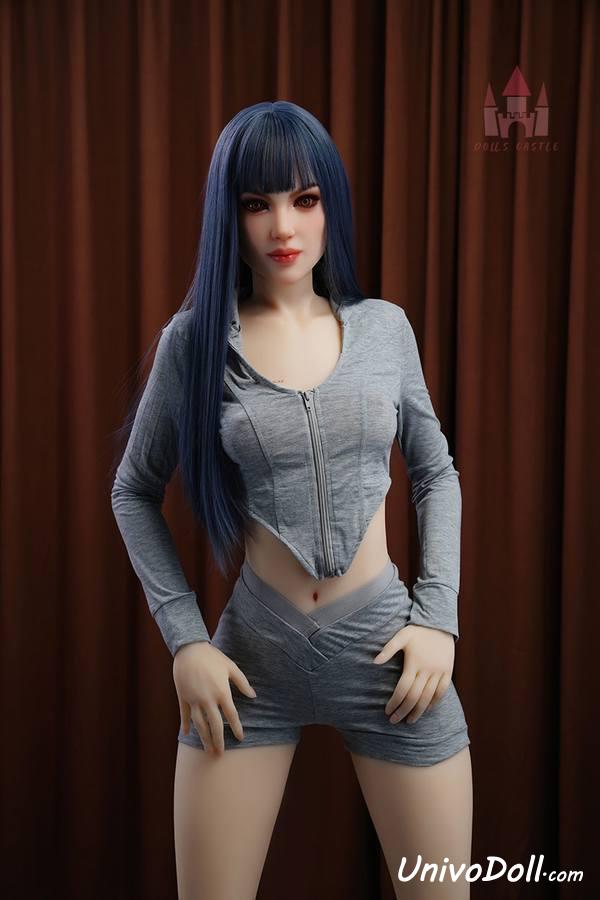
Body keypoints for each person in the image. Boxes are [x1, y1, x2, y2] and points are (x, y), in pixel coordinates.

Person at [111, 100, 473, 899]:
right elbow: (133, 490)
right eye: (257, 203)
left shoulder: (385, 330)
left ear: (328, 205)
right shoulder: (195, 343)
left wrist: (438, 616)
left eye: (304, 199)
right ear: (230, 215)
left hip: (392, 659)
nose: (283, 225)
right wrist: (185, 641)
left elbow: (435, 471)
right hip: (251, 665)